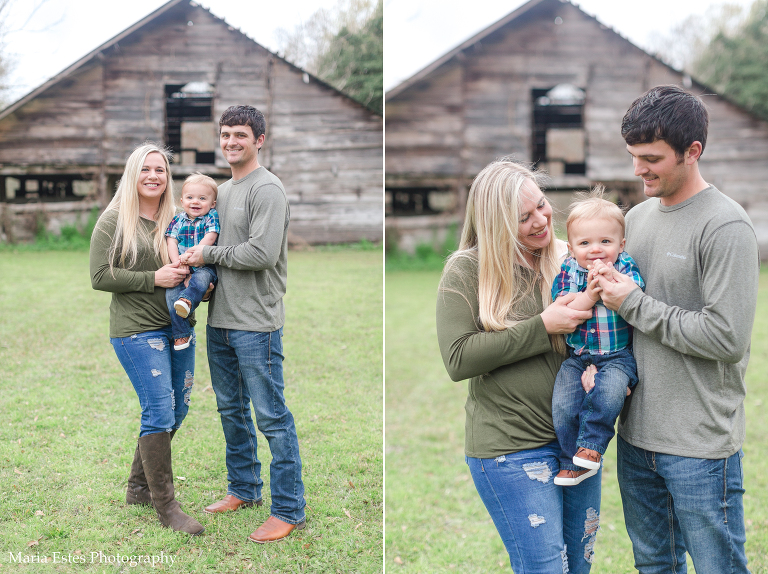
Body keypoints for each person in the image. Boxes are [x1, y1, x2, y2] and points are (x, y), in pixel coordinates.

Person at [593, 85, 758, 573]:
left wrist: (635, 303)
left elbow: (727, 338)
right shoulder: (635, 220)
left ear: (693, 152)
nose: (638, 169)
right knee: (654, 568)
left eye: (651, 158)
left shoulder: (725, 226)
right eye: (633, 156)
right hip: (635, 439)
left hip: (699, 447)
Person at [436, 158, 602, 573]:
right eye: (523, 217)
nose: (541, 220)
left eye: (542, 206)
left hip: (577, 446)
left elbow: (599, 332)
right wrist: (543, 326)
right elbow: (458, 359)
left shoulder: (567, 259)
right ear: (495, 223)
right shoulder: (466, 269)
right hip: (510, 450)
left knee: (579, 566)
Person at [181, 105, 306, 544]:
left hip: (257, 323)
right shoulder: (222, 190)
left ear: (259, 140)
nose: (231, 141)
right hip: (221, 321)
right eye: (226, 134)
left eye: (240, 135)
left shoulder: (267, 189)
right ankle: (244, 489)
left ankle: (289, 509)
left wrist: (207, 257)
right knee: (230, 410)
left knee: (271, 417)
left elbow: (261, 254)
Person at [90, 143, 204, 535]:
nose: (154, 176)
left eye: (160, 170)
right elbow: (99, 276)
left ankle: (139, 487)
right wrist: (151, 279)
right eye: (146, 169)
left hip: (177, 328)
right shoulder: (113, 220)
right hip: (136, 331)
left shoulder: (178, 218)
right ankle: (166, 507)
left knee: (179, 408)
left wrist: (198, 284)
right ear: (132, 174)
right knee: (158, 409)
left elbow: (194, 259)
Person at [551, 190, 644, 487]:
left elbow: (634, 296)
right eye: (585, 243)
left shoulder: (625, 265)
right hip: (578, 356)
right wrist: (591, 293)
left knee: (608, 394)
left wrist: (610, 276)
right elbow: (565, 308)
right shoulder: (568, 269)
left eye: (605, 241)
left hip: (617, 356)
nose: (595, 250)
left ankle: (592, 448)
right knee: (564, 405)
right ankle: (571, 461)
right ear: (571, 247)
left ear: (621, 244)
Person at [164, 173, 220, 351]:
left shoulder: (211, 216)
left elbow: (211, 237)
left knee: (201, 281)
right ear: (182, 201)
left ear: (212, 204)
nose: (195, 202)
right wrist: (177, 261)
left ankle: (188, 301)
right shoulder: (178, 219)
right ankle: (182, 335)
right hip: (183, 265)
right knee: (172, 295)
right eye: (190, 197)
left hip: (204, 265)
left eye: (202, 198)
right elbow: (171, 240)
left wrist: (197, 253)